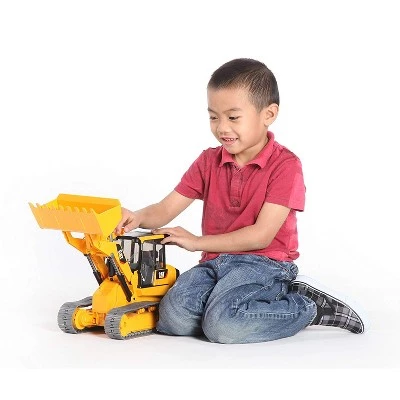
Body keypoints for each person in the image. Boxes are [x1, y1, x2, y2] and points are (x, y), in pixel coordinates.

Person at [114, 58, 368, 344]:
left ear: (268, 114)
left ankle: (307, 306)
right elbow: (165, 209)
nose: (222, 128)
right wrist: (136, 216)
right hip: (215, 261)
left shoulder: (286, 166)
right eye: (213, 117)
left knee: (223, 327)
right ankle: (228, 309)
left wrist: (197, 242)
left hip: (264, 264)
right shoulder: (208, 161)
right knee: (173, 317)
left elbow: (261, 235)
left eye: (233, 117)